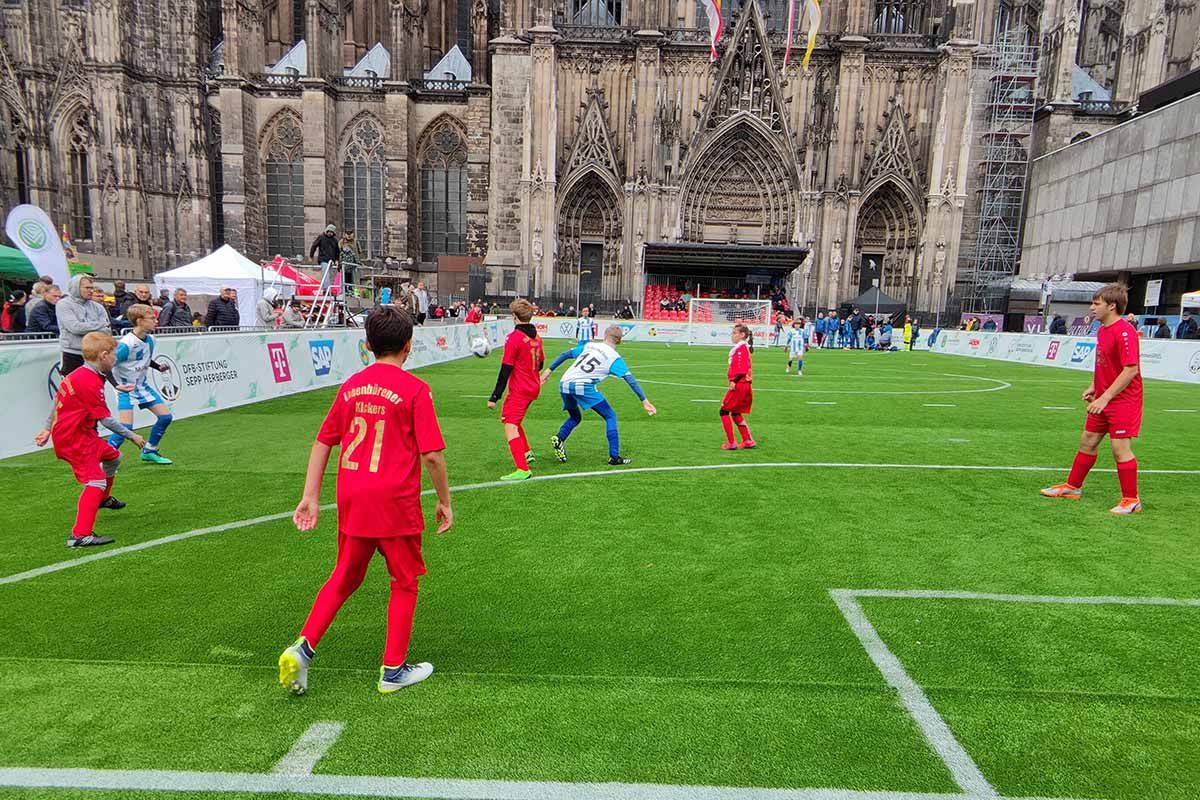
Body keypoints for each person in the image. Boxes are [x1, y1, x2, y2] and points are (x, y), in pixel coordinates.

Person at [278, 306, 453, 696]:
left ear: (367, 345)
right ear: (409, 346)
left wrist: (310, 495)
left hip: (352, 498)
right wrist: (444, 500)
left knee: (345, 576)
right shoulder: (415, 389)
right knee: (404, 581)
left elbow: (324, 440)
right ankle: (393, 670)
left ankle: (302, 648)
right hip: (394, 501)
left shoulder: (351, 385)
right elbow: (432, 456)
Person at [33, 331, 147, 548]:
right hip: (74, 439)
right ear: (103, 355)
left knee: (113, 457)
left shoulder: (78, 375)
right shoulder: (88, 382)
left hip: (82, 434)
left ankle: (103, 499)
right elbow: (106, 421)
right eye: (114, 355)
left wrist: (47, 428)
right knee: (95, 480)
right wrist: (133, 436)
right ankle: (80, 535)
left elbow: (57, 401)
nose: (116, 360)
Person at [1041, 284, 1143, 515]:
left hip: (1123, 400)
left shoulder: (1124, 331)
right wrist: (1094, 386)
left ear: (1112, 306)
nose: (1092, 308)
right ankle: (1072, 487)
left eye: (1097, 304)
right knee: (1087, 440)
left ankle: (1131, 499)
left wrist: (1105, 398)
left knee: (1120, 449)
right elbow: (1106, 365)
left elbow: (1130, 370)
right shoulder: (1103, 330)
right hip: (1104, 397)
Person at [542, 326, 656, 466]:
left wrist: (548, 371)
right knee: (610, 416)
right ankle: (614, 457)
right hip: (582, 386)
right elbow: (630, 380)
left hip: (564, 383)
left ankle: (559, 438)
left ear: (605, 336)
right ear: (619, 341)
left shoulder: (590, 345)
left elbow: (565, 354)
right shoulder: (615, 358)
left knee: (575, 417)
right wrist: (644, 400)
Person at [107, 304, 174, 465]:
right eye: (152, 318)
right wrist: (117, 385)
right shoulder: (125, 345)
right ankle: (105, 458)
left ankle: (149, 450)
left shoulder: (151, 339)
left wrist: (158, 367)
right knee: (126, 427)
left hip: (142, 387)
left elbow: (143, 358)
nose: (156, 321)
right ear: (139, 321)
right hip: (125, 389)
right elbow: (107, 366)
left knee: (165, 417)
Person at [486, 299, 545, 482]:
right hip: (532, 386)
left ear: (514, 316)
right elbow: (541, 362)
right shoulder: (536, 337)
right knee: (516, 421)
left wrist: (495, 396)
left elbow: (506, 369)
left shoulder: (514, 338)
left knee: (510, 425)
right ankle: (526, 453)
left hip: (521, 389)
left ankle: (522, 469)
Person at [57, 275, 114, 376]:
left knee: (96, 387)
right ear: (76, 288)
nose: (91, 291)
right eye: (87, 288)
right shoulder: (63, 304)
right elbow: (75, 327)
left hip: (95, 355)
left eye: (91, 288)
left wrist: (86, 326)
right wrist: (99, 325)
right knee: (73, 389)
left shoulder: (98, 307)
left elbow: (107, 330)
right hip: (72, 354)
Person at [719, 324, 756, 450]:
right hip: (744, 385)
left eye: (735, 333)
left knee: (723, 411)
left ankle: (731, 442)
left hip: (739, 385)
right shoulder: (742, 348)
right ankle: (748, 440)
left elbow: (742, 369)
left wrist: (734, 381)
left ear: (742, 335)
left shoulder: (740, 349)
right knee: (735, 412)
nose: (732, 335)